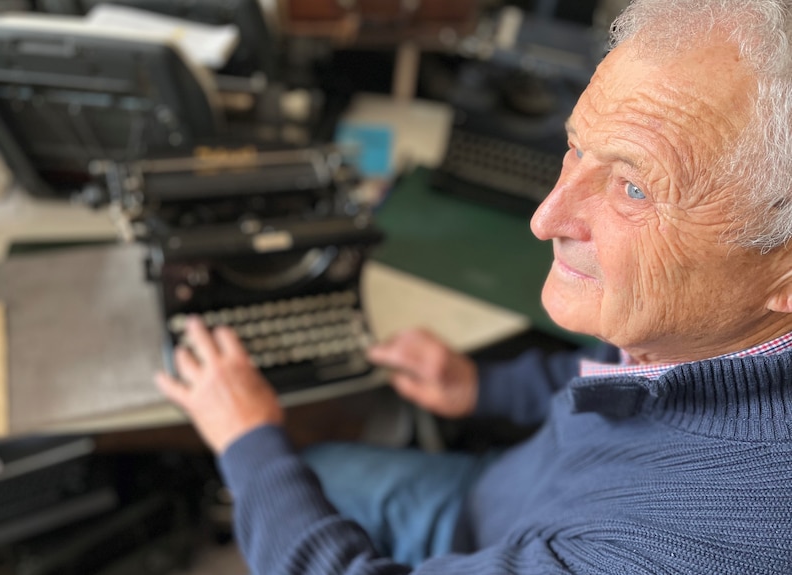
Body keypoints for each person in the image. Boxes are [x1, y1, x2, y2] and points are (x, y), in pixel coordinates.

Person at [155, 0, 792, 572]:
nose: (546, 218)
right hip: (505, 497)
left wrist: (245, 438)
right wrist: (481, 385)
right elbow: (625, 379)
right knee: (312, 472)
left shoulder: (694, 547)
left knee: (269, 479)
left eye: (634, 188)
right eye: (575, 150)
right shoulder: (695, 327)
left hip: (528, 535)